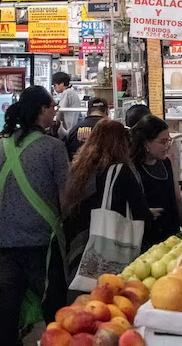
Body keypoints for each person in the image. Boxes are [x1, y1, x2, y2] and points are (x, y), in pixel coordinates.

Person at [0, 86, 69, 346]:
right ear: (42, 110)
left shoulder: (2, 144)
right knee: (53, 305)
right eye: (52, 106)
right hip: (41, 242)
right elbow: (65, 198)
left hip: (5, 240)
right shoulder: (54, 148)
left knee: (8, 305)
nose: (55, 111)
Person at [63, 119, 152, 290]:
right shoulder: (121, 171)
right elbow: (140, 212)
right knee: (110, 293)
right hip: (109, 244)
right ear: (122, 144)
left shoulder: (78, 168)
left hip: (79, 245)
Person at [129, 116, 182, 245]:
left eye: (168, 141)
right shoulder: (131, 168)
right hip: (146, 239)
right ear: (146, 143)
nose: (167, 146)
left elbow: (178, 200)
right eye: (163, 142)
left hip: (172, 234)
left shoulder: (166, 163)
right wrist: (144, 213)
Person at [52, 71, 82, 139]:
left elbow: (60, 109)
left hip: (69, 128)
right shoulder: (71, 92)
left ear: (62, 84)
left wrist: (55, 120)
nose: (54, 88)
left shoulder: (66, 93)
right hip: (74, 127)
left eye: (55, 85)